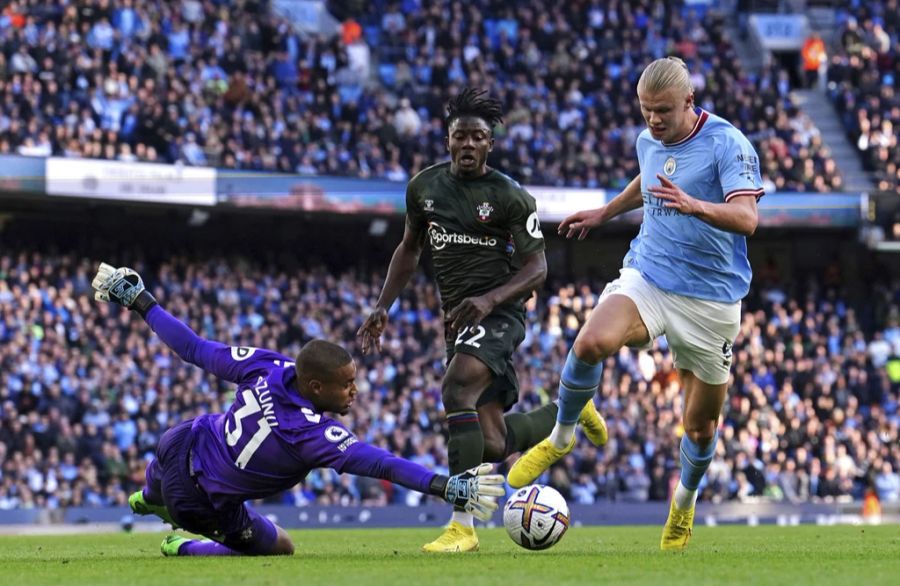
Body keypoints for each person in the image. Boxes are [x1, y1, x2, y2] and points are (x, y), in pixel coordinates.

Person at [507, 57, 764, 551]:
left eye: (663, 111)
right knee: (590, 342)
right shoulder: (649, 139)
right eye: (646, 111)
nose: (654, 121)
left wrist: (695, 205)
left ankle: (683, 506)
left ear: (690, 102)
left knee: (701, 424)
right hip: (650, 273)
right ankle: (561, 437)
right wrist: (606, 212)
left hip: (710, 300)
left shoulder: (728, 144)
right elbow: (646, 178)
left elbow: (747, 218)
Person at [91, 262, 504, 557]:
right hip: (200, 502)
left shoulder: (270, 366)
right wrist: (444, 486)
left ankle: (147, 497)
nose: (354, 392)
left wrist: (142, 302)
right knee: (281, 546)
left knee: (164, 481)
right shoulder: (312, 436)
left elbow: (193, 348)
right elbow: (383, 464)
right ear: (315, 386)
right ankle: (184, 546)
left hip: (178, 442)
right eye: (346, 385)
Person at [357, 88, 608, 553]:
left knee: (456, 389)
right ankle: (566, 414)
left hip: (500, 311)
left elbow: (538, 269)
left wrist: (491, 301)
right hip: (457, 319)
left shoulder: (511, 197)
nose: (468, 144)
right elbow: (409, 250)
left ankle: (462, 525)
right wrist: (382, 306)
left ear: (490, 143)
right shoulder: (424, 188)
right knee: (491, 443)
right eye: (460, 137)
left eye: (477, 137)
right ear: (447, 139)